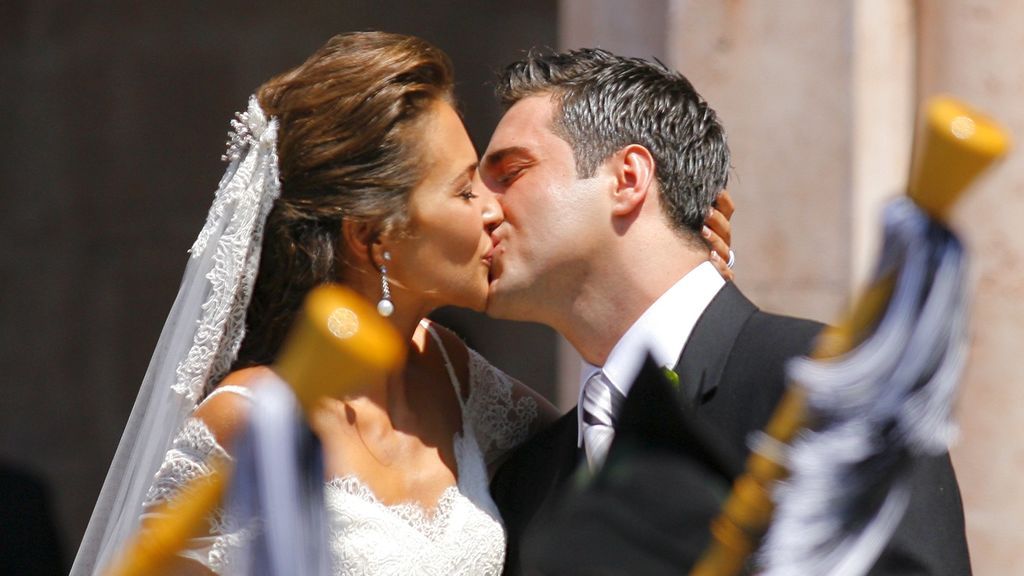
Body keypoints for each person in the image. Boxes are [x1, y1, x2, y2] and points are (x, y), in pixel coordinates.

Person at [71, 33, 736, 575]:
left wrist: (679, 276)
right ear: (374, 238)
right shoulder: (253, 424)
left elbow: (605, 456)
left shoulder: (461, 379)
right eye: (464, 189)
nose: (493, 211)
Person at [480, 48, 971, 574]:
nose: (483, 208)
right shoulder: (528, 480)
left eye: (510, 172)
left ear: (627, 179)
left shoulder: (828, 389)